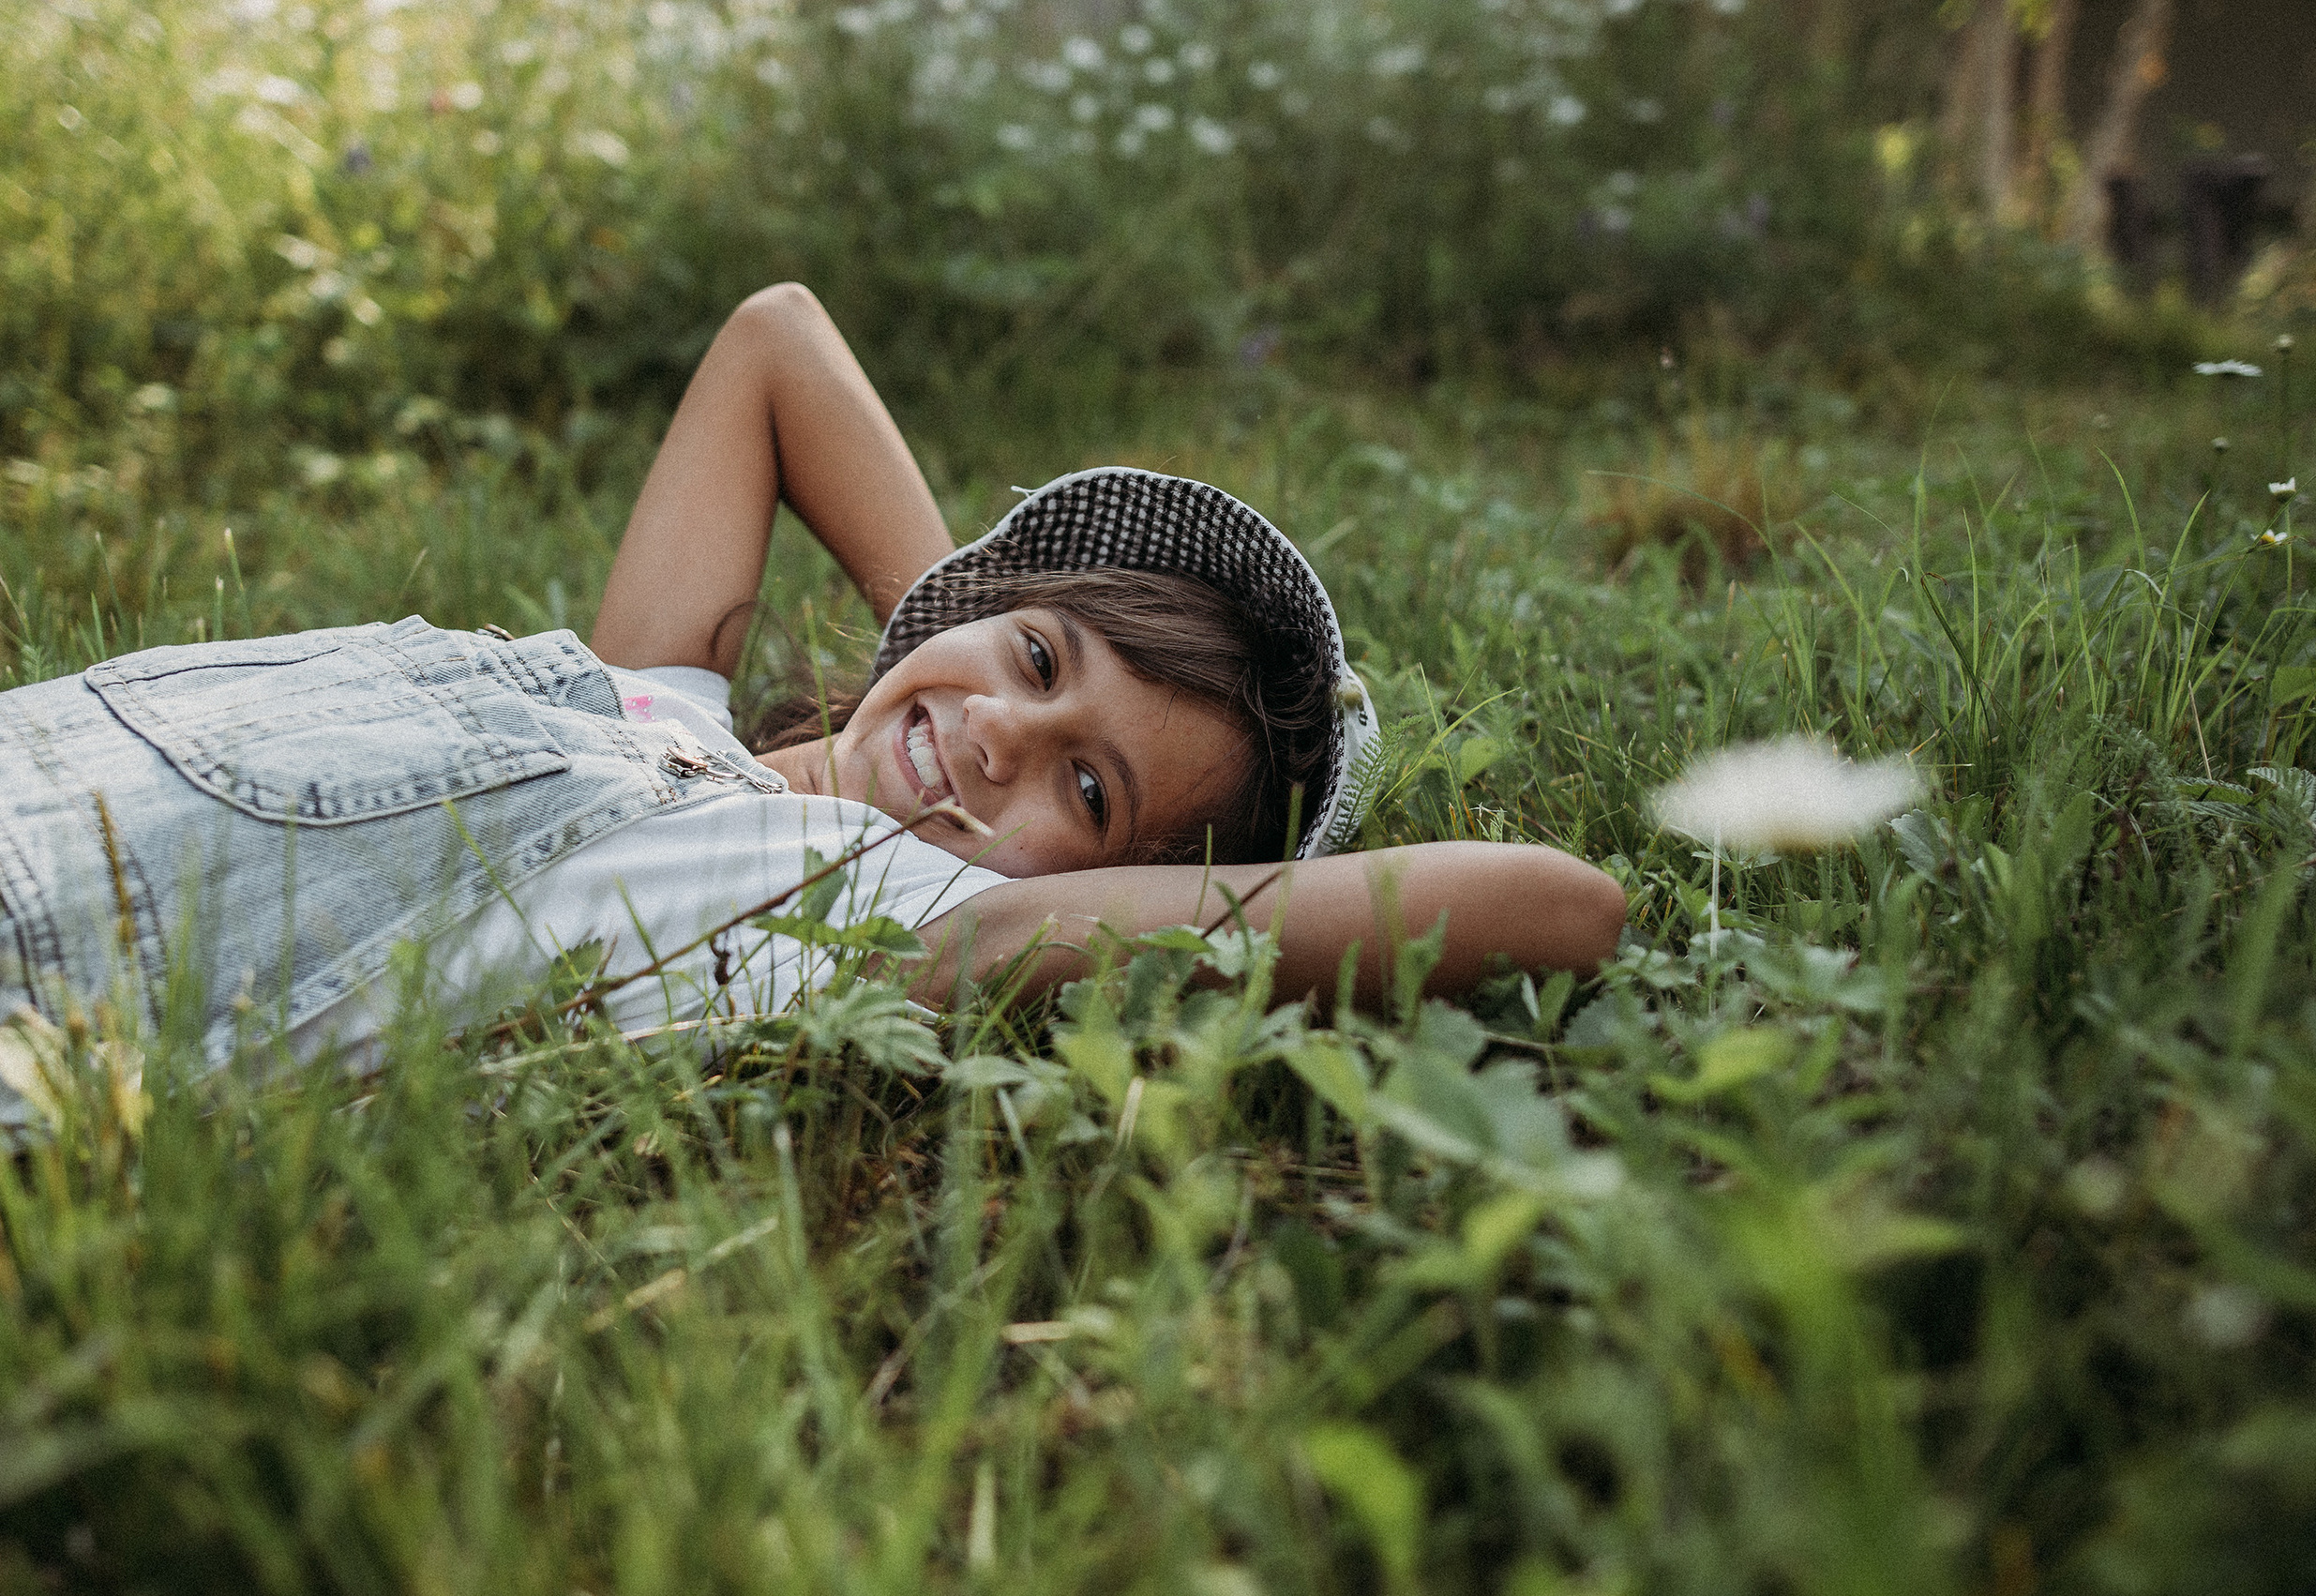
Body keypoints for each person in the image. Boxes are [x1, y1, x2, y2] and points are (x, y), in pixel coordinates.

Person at [0, 285, 1623, 1112]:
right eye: (1047, 663)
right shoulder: (660, 708)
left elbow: (1562, 905)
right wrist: (958, 633)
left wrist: (1138, 875)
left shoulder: (895, 915)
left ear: (1118, 881)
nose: (1004, 735)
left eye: (1092, 794)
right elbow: (777, 341)